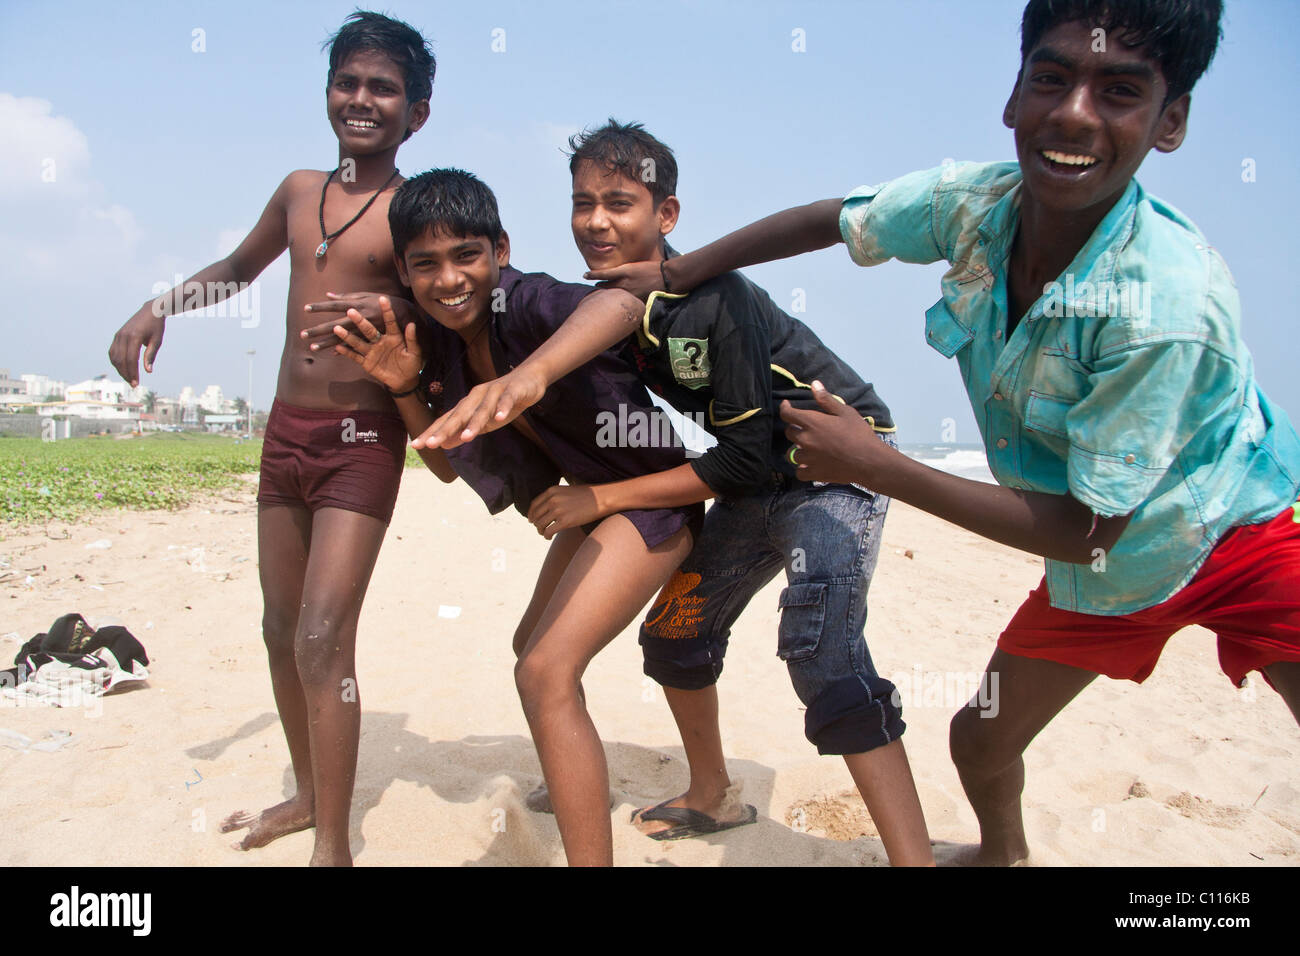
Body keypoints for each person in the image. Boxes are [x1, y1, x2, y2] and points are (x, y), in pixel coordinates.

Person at [558, 0, 1300, 865]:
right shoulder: (974, 205)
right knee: (976, 741)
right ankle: (1000, 857)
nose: (1072, 112)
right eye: (1051, 78)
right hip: (1099, 566)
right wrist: (681, 270)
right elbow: (833, 220)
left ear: (1169, 122)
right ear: (1014, 96)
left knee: (825, 653)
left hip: (1239, 536)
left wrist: (876, 463)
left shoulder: (1167, 308)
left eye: (1121, 91)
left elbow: (1090, 528)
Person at [415, 121, 935, 865]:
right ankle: (713, 792)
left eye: (620, 203)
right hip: (757, 476)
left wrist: (602, 499)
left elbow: (745, 457)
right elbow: (726, 445)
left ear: (666, 216)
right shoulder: (618, 300)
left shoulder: (712, 300)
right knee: (676, 637)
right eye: (582, 202)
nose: (596, 221)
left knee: (823, 653)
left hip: (841, 467)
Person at [108, 11, 436, 866]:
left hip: (364, 439)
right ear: (329, 93)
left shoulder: (412, 210)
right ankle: (306, 789)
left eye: (384, 88)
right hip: (284, 434)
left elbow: (452, 301)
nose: (362, 100)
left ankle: (334, 844)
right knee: (278, 625)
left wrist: (394, 309)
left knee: (326, 635)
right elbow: (237, 269)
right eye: (349, 82)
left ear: (418, 113)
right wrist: (156, 307)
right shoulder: (299, 191)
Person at [329, 167, 702, 866]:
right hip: (591, 504)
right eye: (426, 264)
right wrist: (408, 388)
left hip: (656, 495)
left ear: (500, 250)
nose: (449, 280)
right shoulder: (438, 345)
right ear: (406, 275)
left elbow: (619, 304)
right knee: (530, 644)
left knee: (544, 671)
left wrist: (528, 374)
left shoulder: (531, 304)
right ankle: (572, 770)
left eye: (466, 255)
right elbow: (444, 462)